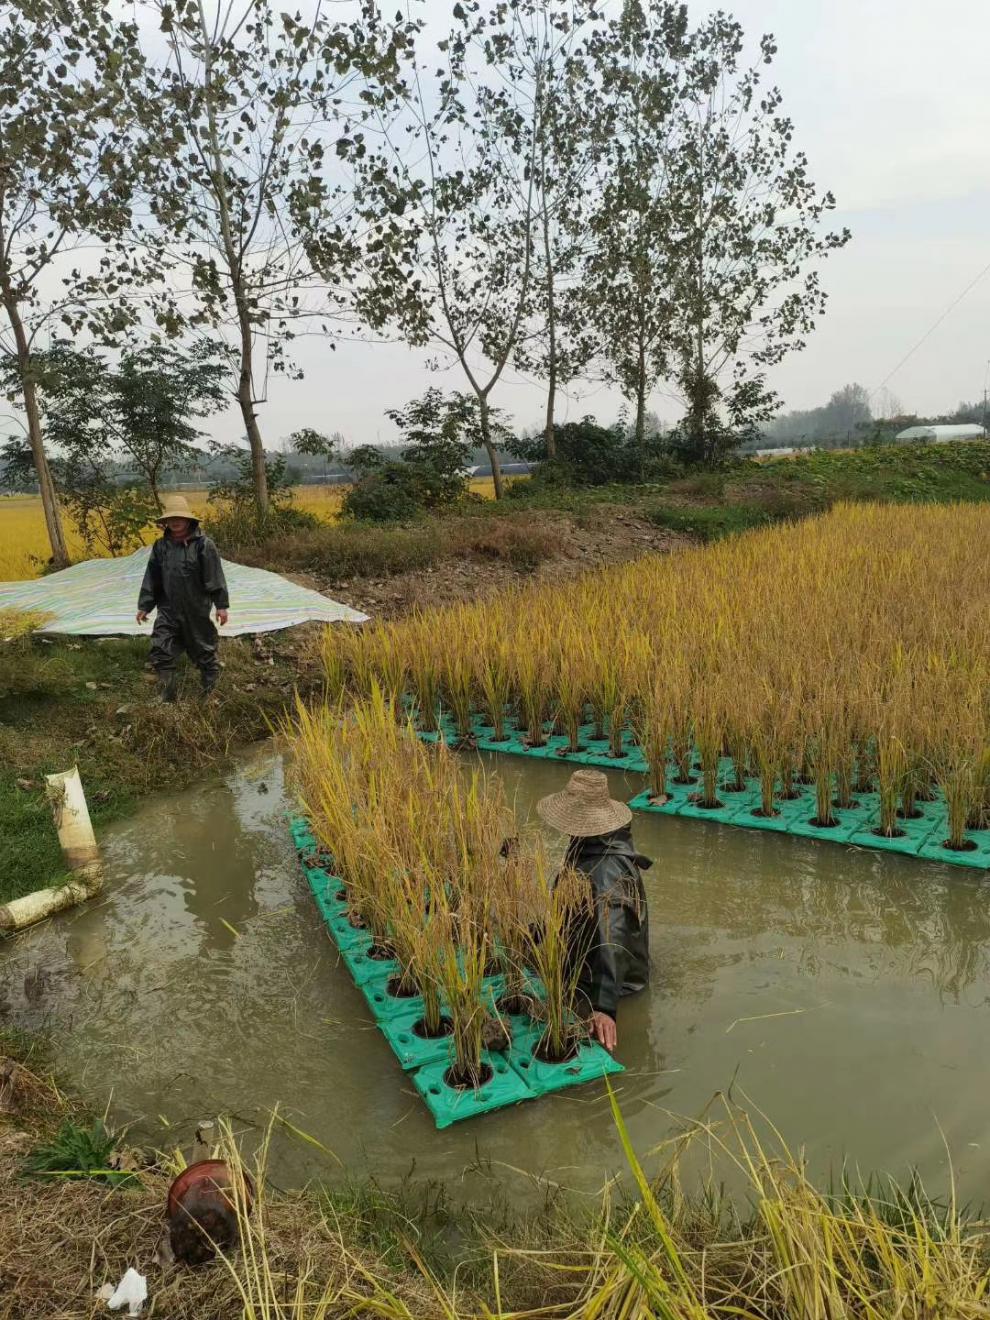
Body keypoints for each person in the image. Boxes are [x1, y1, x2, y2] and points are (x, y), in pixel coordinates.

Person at [536, 769, 650, 1053]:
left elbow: (612, 933)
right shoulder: (595, 844)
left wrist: (604, 1006)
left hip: (611, 985)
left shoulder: (606, 872)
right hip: (592, 964)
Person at [136, 494, 229, 702]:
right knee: (161, 647)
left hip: (196, 608)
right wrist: (145, 605)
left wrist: (221, 605)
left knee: (204, 648)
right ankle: (167, 694)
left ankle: (210, 692)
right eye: (171, 518)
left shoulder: (204, 545)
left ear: (188, 520)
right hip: (168, 608)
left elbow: (214, 576)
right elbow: (153, 578)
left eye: (179, 517)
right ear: (165, 522)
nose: (175, 521)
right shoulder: (161, 547)